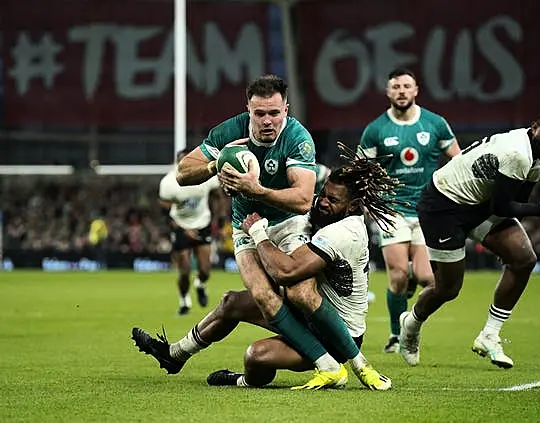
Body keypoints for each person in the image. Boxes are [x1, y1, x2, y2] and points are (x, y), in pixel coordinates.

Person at [161, 75, 387, 388]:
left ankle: (354, 363)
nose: (268, 121)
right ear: (248, 110)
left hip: (288, 222)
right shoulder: (229, 132)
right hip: (245, 223)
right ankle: (328, 365)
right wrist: (215, 165)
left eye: (274, 113)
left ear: (286, 109)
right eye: (259, 114)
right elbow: (183, 174)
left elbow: (303, 200)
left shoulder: (297, 137)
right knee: (262, 297)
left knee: (298, 290)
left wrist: (256, 190)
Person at [133, 147, 400, 389]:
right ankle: (175, 355)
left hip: (338, 334)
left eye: (333, 199)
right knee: (230, 303)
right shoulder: (329, 212)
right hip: (309, 314)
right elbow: (309, 180)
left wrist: (258, 233)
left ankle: (245, 380)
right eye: (324, 194)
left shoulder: (346, 232)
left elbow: (285, 271)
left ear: (352, 206)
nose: (323, 201)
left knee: (256, 355)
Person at [398, 107, 540, 369]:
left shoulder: (538, 157)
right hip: (443, 205)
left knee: (523, 259)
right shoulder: (518, 153)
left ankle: (489, 335)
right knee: (448, 289)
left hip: (478, 204)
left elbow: (515, 202)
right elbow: (503, 207)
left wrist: (504, 246)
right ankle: (411, 323)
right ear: (535, 126)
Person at [359, 68, 461, 353]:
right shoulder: (376, 130)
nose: (401, 91)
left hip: (427, 210)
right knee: (398, 274)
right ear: (388, 92)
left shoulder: (435, 124)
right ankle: (395, 335)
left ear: (416, 90)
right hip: (391, 209)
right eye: (396, 86)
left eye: (406, 86)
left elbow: (457, 160)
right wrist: (367, 200)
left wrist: (451, 196)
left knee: (429, 279)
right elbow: (360, 169)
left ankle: (410, 320)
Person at [159, 149, 221, 315]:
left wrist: (217, 217)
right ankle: (184, 300)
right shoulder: (168, 183)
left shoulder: (205, 177)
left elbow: (217, 194)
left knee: (205, 270)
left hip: (203, 223)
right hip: (181, 225)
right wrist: (182, 230)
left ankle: (200, 285)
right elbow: (164, 211)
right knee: (185, 271)